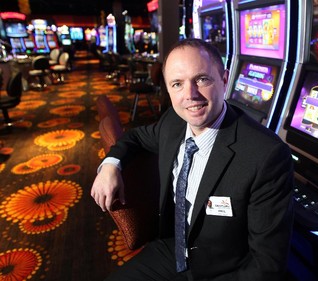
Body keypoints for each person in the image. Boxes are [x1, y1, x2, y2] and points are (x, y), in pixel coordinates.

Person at [91, 38, 294, 281]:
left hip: (223, 270)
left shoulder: (266, 156)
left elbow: (266, 266)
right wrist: (110, 165)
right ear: (167, 89)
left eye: (202, 79)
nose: (190, 95)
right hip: (171, 247)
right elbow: (134, 137)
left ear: (225, 80)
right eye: (177, 84)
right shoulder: (173, 122)